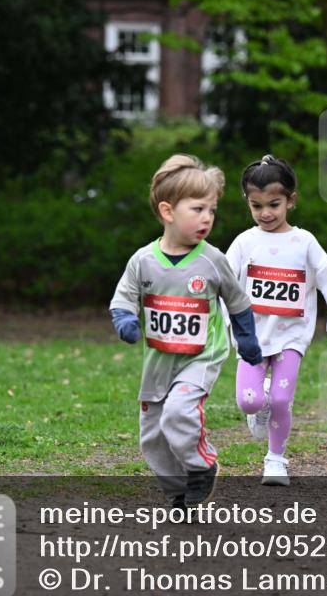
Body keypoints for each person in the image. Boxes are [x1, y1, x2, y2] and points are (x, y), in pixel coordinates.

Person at [109, 154, 263, 512]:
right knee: (152, 435)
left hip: (201, 356)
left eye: (211, 210)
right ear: (168, 211)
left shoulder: (212, 260)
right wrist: (125, 321)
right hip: (158, 361)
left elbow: (238, 302)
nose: (207, 217)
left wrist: (247, 341)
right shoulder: (143, 260)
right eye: (197, 209)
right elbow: (123, 298)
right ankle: (178, 492)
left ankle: (201, 465)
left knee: (178, 412)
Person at [226, 155, 327, 486]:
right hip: (252, 337)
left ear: (290, 201)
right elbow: (225, 284)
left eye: (274, 204)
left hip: (292, 337)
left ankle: (276, 459)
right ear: (247, 202)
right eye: (256, 206)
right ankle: (261, 404)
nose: (265, 213)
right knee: (249, 401)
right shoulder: (244, 243)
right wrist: (224, 323)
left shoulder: (304, 242)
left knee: (282, 400)